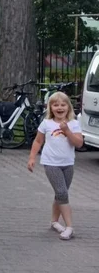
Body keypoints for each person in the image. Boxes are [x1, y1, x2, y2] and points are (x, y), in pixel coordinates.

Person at [27, 91, 83, 240]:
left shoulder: (74, 123)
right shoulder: (46, 123)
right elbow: (38, 141)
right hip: (51, 163)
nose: (59, 107)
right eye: (55, 105)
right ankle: (69, 227)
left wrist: (67, 131)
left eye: (63, 105)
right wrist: (32, 158)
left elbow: (78, 143)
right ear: (50, 108)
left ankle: (54, 221)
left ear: (68, 107)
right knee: (62, 193)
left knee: (60, 193)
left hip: (68, 164)